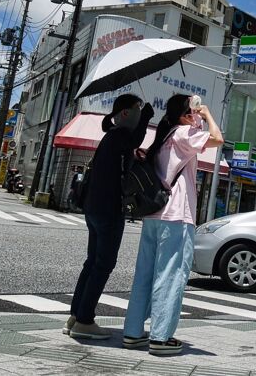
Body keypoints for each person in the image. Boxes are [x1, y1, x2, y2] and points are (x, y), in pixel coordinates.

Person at [122, 94, 223, 356]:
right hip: (177, 215)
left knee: (145, 274)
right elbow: (217, 138)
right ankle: (161, 337)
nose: (198, 115)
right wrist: (209, 114)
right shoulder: (183, 134)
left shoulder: (165, 137)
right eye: (194, 111)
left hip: (155, 215)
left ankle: (133, 332)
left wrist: (195, 113)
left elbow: (197, 132)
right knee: (172, 274)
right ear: (186, 114)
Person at [66, 94, 153, 340]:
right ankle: (84, 320)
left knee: (92, 262)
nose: (139, 112)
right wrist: (146, 116)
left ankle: (75, 315)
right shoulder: (122, 135)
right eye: (136, 108)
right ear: (125, 113)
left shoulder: (111, 136)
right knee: (103, 265)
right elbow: (136, 138)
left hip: (93, 209)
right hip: (108, 210)